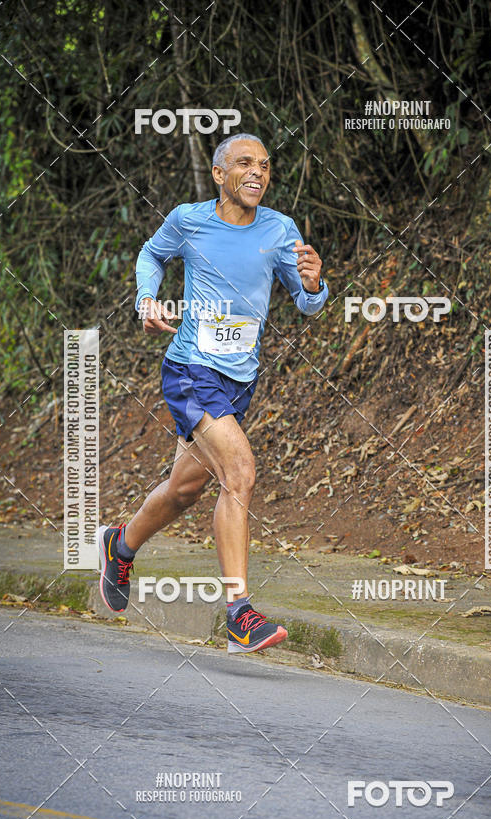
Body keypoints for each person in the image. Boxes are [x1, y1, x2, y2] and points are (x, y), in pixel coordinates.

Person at [98, 133, 328, 654]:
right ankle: (239, 614)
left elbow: (307, 302)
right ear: (220, 174)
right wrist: (147, 298)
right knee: (240, 472)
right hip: (190, 370)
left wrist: (314, 285)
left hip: (238, 381)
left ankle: (120, 543)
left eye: (265, 166)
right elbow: (150, 256)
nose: (258, 173)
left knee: (184, 490)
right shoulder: (189, 219)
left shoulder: (279, 229)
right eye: (245, 163)